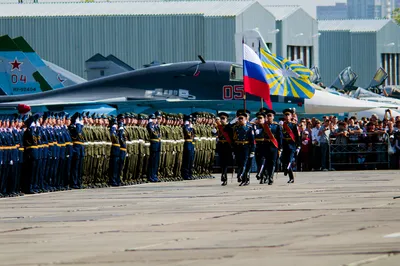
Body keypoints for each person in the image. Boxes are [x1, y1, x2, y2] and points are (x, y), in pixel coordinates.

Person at [231, 109, 255, 186]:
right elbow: (232, 137)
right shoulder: (235, 128)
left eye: (242, 118)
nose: (240, 120)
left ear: (246, 119)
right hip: (238, 147)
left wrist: (252, 151)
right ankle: (243, 179)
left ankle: (240, 175)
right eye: (239, 118)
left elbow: (252, 141)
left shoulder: (249, 128)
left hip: (246, 147)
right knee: (239, 163)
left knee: (244, 163)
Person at [281, 108, 300, 183]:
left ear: (291, 116)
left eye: (288, 115)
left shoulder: (294, 126)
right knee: (284, 160)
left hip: (292, 145)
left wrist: (298, 146)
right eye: (285, 115)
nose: (287, 116)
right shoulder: (282, 125)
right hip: (285, 145)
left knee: (289, 160)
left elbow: (297, 137)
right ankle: (290, 177)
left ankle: (288, 171)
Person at [215, 112, 232, 186]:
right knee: (222, 162)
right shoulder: (218, 127)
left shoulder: (229, 127)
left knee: (226, 162)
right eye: (221, 118)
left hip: (227, 146)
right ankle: (223, 174)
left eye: (223, 118)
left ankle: (224, 175)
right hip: (220, 145)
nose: (222, 120)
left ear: (226, 119)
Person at [147, 111, 162, 182]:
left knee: (156, 162)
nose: (155, 120)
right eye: (154, 119)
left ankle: (154, 175)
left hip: (157, 146)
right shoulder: (150, 126)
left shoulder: (156, 127)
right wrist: (150, 123)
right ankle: (151, 176)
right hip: (153, 146)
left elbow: (158, 135)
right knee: (152, 162)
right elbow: (153, 133)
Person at [181, 114, 195, 180]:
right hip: (187, 143)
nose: (190, 122)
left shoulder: (190, 127)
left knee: (191, 160)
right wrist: (188, 126)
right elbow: (188, 134)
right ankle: (186, 174)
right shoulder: (185, 127)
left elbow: (193, 135)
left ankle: (190, 173)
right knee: (187, 160)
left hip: (191, 144)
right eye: (189, 121)